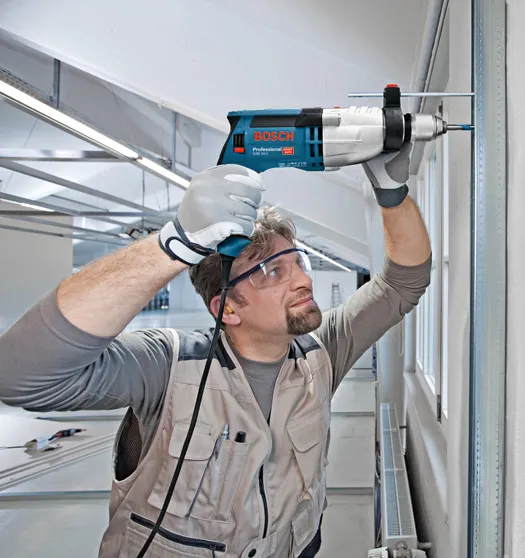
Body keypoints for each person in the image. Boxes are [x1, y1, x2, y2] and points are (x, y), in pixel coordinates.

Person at [0, 144, 431, 557]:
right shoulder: (168, 366)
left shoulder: (320, 353)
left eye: (297, 261)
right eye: (271, 271)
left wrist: (391, 192)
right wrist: (172, 244)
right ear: (227, 308)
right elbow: (20, 378)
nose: (302, 279)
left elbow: (403, 283)